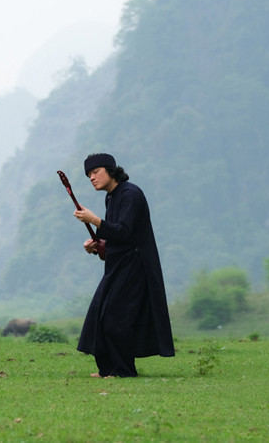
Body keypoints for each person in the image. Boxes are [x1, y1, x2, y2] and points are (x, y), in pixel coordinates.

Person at [73, 153, 175, 378]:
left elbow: (126, 232)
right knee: (99, 315)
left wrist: (95, 220)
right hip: (117, 266)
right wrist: (96, 244)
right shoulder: (111, 197)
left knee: (116, 319)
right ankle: (107, 369)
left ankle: (123, 370)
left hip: (135, 265)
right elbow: (114, 236)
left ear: (111, 170)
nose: (92, 177)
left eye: (96, 172)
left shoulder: (131, 194)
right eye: (88, 175)